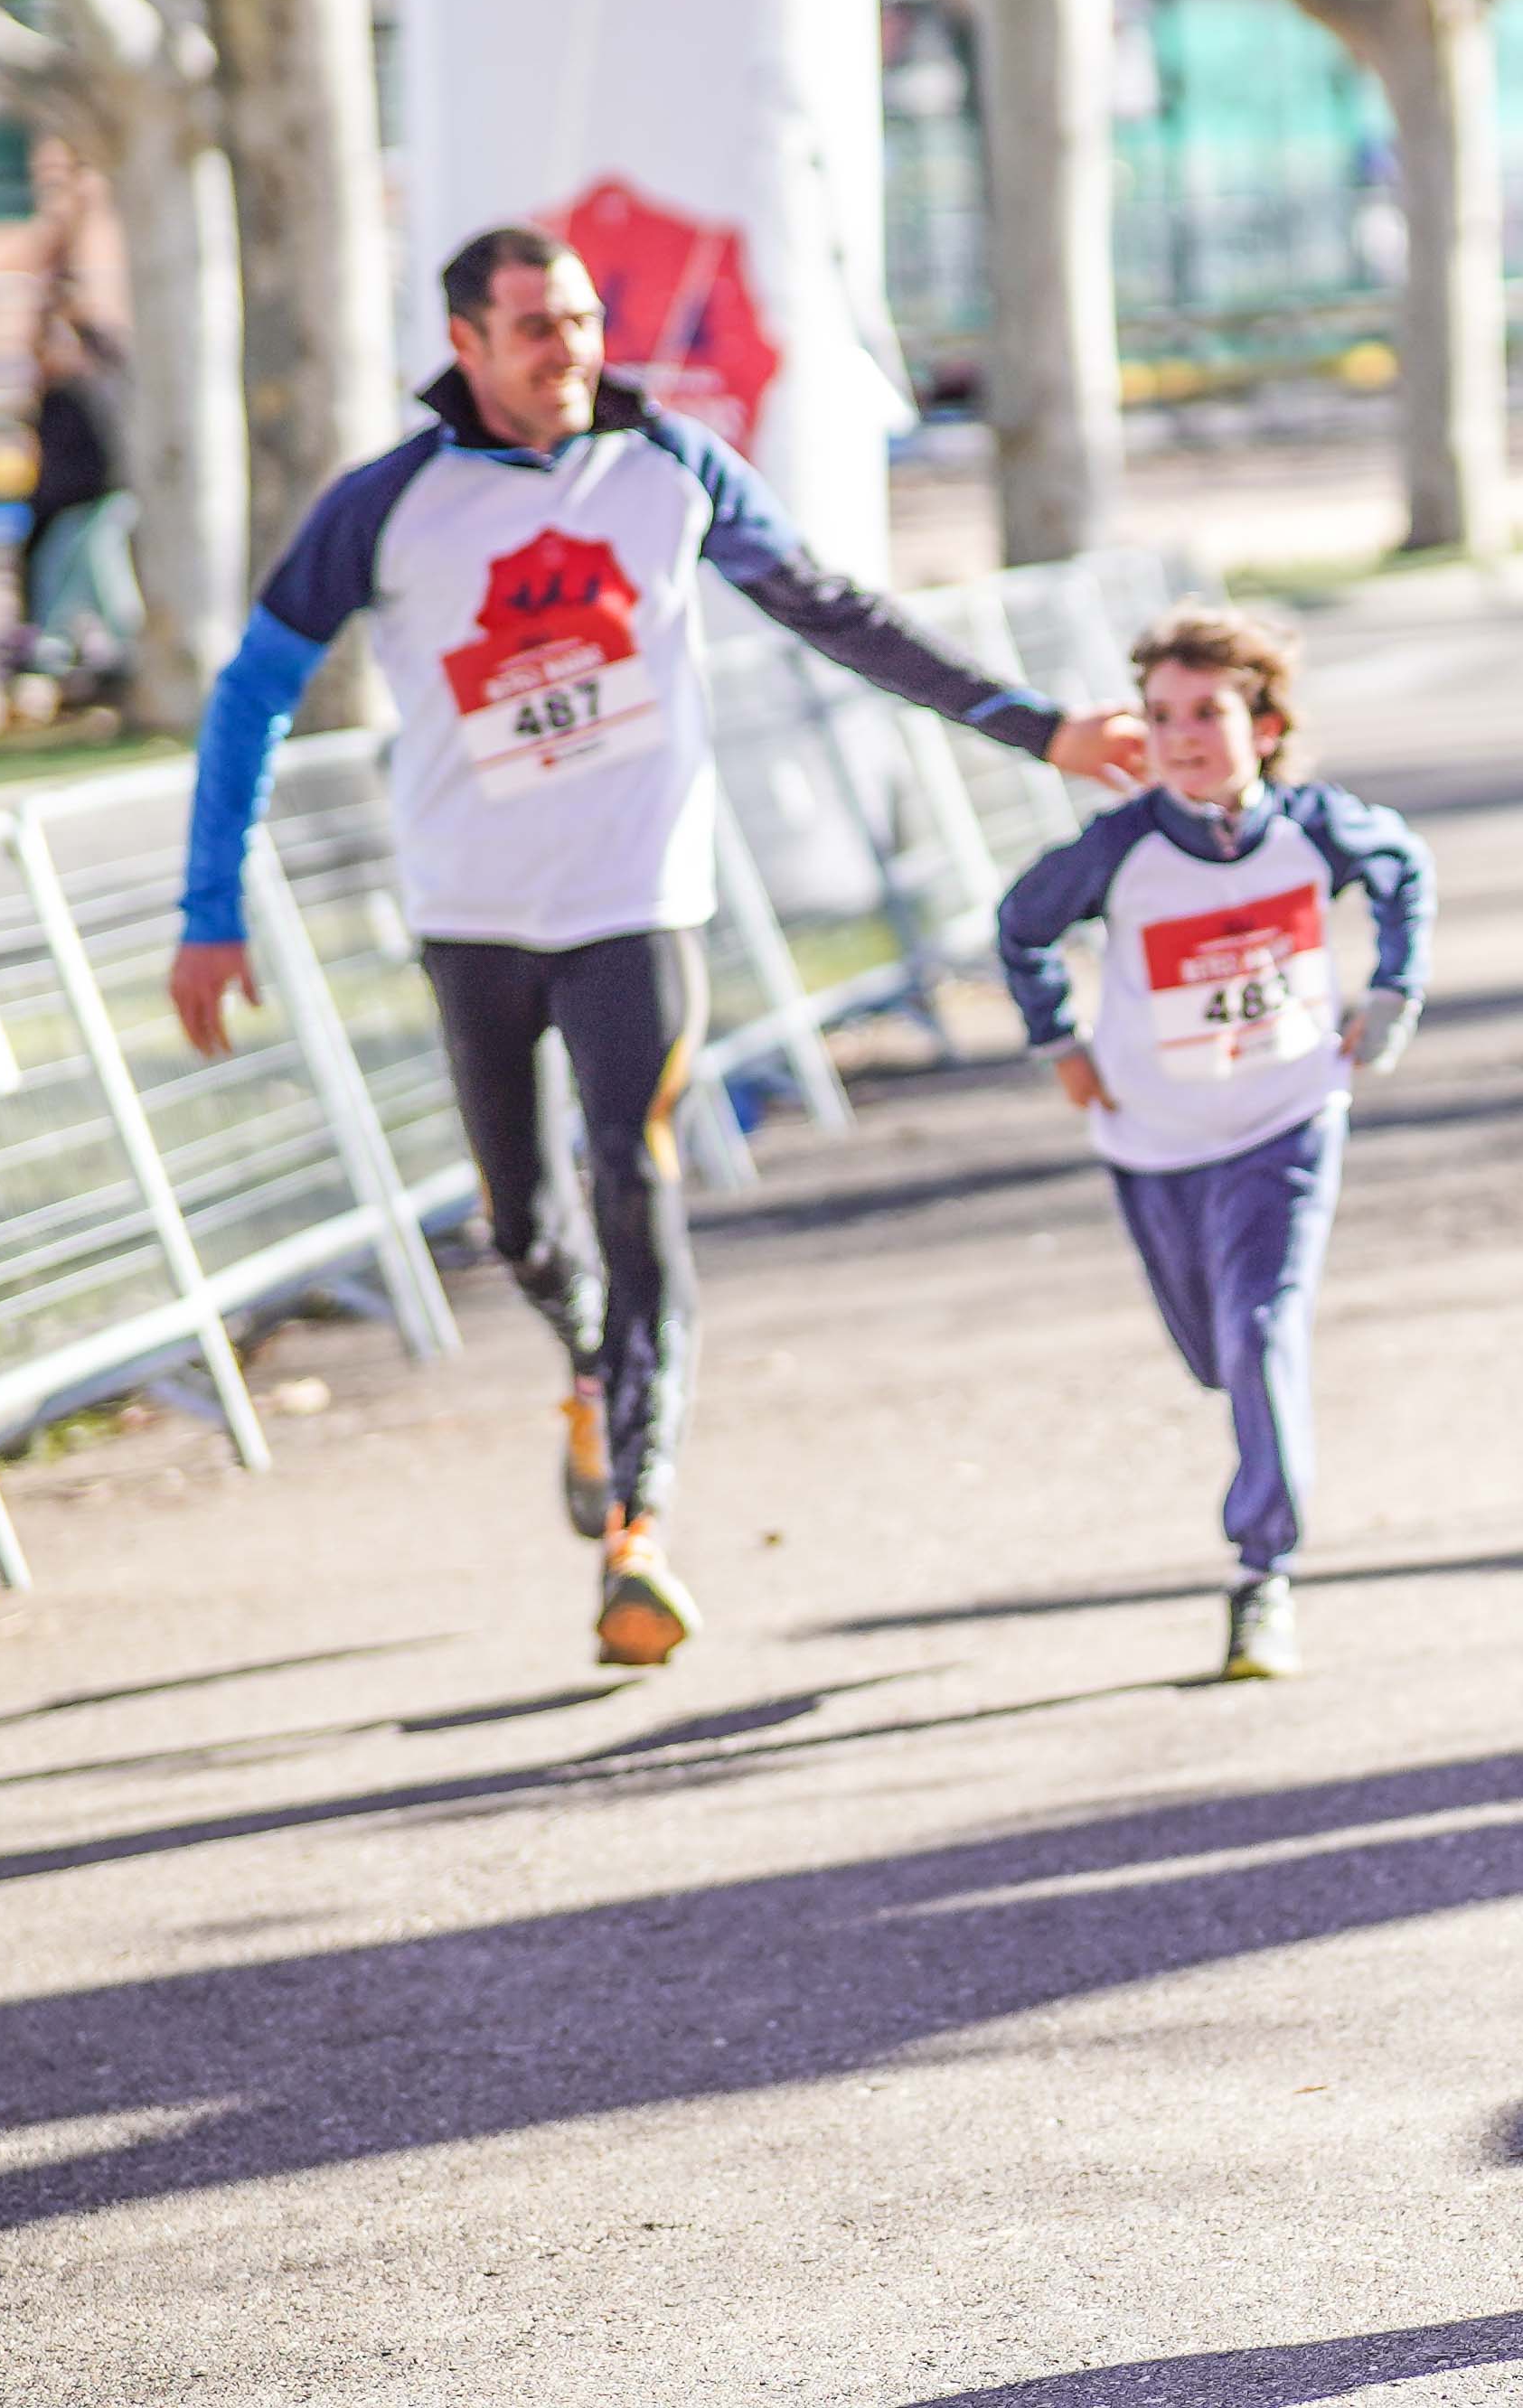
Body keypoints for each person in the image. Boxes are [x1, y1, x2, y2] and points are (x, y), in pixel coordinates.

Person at [173, 226, 1144, 1670]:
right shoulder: (390, 504)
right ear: (465, 344)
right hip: (473, 910)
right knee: (520, 1224)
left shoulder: (669, 466)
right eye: (534, 328)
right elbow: (254, 686)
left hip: (637, 900)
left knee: (637, 1180)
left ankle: (640, 1524)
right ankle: (590, 1361)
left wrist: (1038, 728)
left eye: (579, 319)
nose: (569, 350)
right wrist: (210, 909)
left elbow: (836, 613)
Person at [992, 604, 1433, 1684]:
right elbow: (1021, 925)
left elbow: (1405, 869)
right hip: (1156, 1137)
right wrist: (1059, 1042)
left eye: (1207, 713)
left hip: (1287, 1119)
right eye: (1160, 716)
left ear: (1265, 727)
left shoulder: (1314, 826)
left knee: (1262, 1329)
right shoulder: (1123, 845)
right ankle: (1250, 1442)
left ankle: (1262, 1570)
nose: (1181, 737)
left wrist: (1392, 992)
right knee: (1215, 1352)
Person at [16, 308, 136, 697]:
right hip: (71, 507)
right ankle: (59, 651)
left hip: (99, 501)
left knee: (96, 568)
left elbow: (94, 462)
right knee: (64, 572)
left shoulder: (91, 392)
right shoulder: (55, 399)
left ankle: (118, 645)